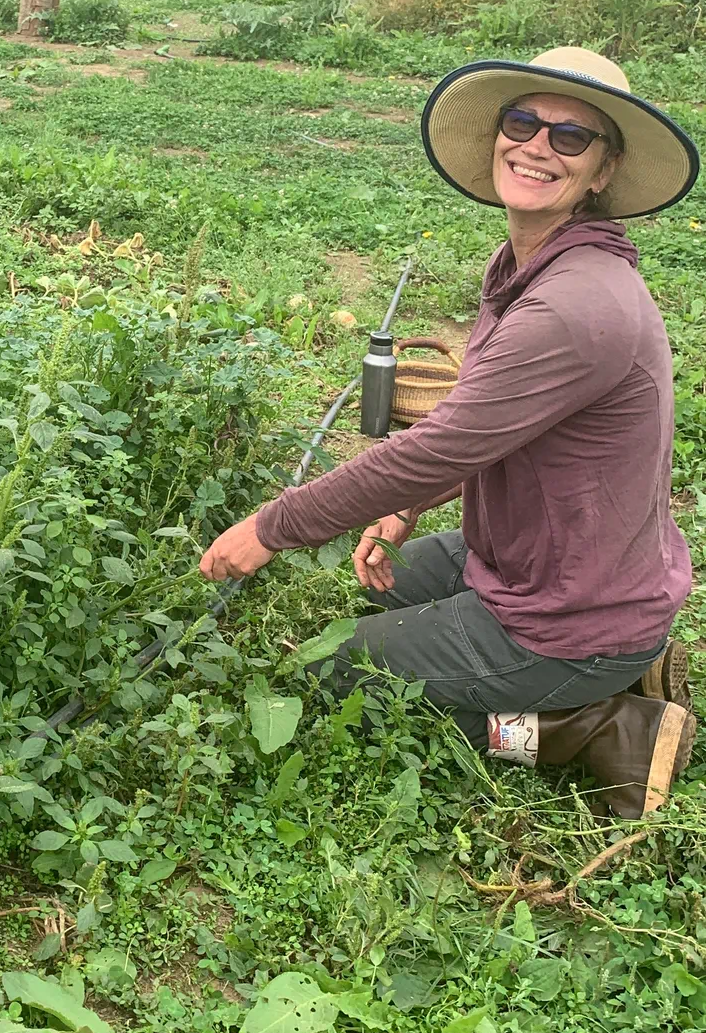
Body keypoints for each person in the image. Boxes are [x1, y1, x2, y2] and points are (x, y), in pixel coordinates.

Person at [198, 47, 701, 819]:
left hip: (569, 615)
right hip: (535, 554)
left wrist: (273, 526)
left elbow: (439, 443)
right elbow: (481, 426)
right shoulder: (530, 263)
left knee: (333, 680)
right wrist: (405, 508)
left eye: (570, 137)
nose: (536, 145)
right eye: (522, 121)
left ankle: (590, 726)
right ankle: (595, 674)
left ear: (603, 171)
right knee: (385, 590)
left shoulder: (577, 306)